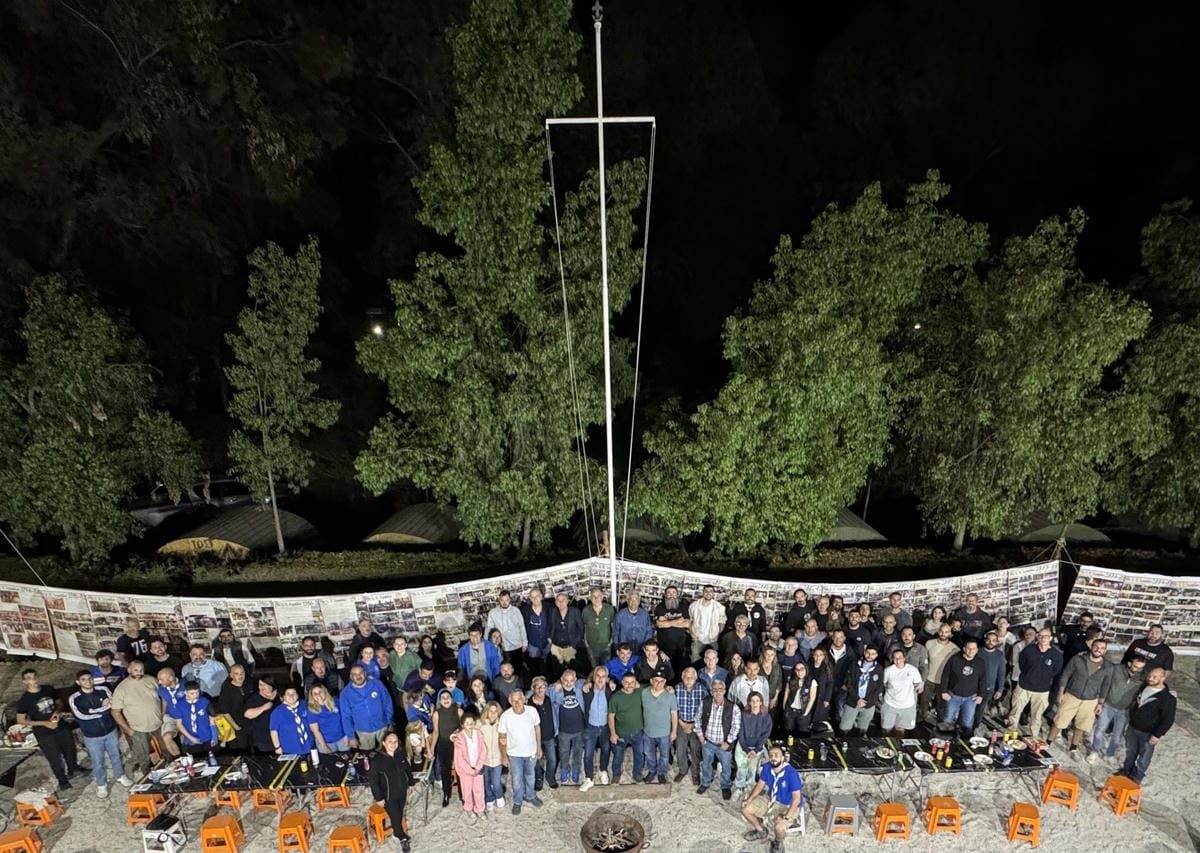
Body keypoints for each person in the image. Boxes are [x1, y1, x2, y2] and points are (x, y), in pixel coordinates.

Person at [69, 670, 133, 797]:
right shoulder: (74, 698)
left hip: (110, 731)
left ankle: (120, 775)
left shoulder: (103, 689)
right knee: (98, 761)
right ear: (78, 682)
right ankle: (101, 784)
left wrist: (93, 710)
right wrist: (103, 709)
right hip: (92, 736)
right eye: (83, 680)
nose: (88, 681)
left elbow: (114, 705)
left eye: (89, 678)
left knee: (115, 755)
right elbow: (82, 716)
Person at [15, 669, 82, 789]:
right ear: (25, 682)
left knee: (70, 749)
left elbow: (59, 702)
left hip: (60, 726)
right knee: (54, 757)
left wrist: (57, 712)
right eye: (29, 678)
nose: (33, 680)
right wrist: (44, 723)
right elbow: (20, 720)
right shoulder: (24, 700)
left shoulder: (48, 689)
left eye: (35, 677)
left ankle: (73, 769)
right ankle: (62, 781)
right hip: (44, 733)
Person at [1049, 638, 1114, 755]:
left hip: (1091, 700)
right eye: (1096, 647)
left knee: (1081, 726)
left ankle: (1073, 748)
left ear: (1105, 650)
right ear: (1091, 646)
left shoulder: (1108, 667)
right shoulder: (1078, 659)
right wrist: (1061, 692)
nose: (1098, 650)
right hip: (1072, 695)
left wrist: (1100, 703)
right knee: (1059, 720)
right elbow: (1066, 674)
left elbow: (1106, 685)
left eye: (1102, 648)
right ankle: (1048, 742)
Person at [740, 744, 804, 853]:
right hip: (771, 799)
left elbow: (796, 799)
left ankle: (778, 842)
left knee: (779, 827)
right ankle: (761, 831)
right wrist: (749, 800)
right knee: (745, 809)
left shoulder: (791, 773)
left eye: (776, 755)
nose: (773, 758)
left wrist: (786, 818)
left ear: (783, 758)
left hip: (788, 804)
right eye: (771, 755)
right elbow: (760, 785)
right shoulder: (767, 767)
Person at [112, 658, 169, 772]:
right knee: (144, 758)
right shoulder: (121, 688)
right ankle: (148, 778)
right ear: (129, 670)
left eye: (141, 670)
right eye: (136, 670)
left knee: (167, 752)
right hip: (138, 730)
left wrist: (163, 715)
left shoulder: (152, 680)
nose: (139, 673)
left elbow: (164, 697)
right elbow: (115, 712)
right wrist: (128, 729)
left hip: (158, 724)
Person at [1121, 667, 1175, 784]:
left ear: (1163, 678)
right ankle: (1126, 772)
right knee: (1130, 752)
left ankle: (1137, 778)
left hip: (1148, 733)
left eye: (1155, 677)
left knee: (1144, 757)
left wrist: (1157, 735)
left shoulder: (1168, 699)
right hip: (1133, 727)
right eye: (1149, 676)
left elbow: (1168, 720)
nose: (1150, 678)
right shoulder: (1145, 687)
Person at [1008, 628, 1063, 739]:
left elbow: (1055, 671)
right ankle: (1010, 731)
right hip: (1024, 686)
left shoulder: (1056, 655)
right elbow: (1022, 665)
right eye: (1040, 636)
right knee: (1015, 711)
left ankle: (1034, 736)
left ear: (1050, 638)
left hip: (1042, 690)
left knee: (1037, 716)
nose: (1043, 639)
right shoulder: (1028, 650)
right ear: (1037, 637)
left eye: (1046, 636)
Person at [1089, 657, 1145, 765]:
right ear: (1129, 663)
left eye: (1140, 668)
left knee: (1118, 735)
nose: (1138, 669)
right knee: (1100, 729)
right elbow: (1105, 681)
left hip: (1124, 710)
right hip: (1108, 705)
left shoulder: (1142, 678)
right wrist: (1100, 702)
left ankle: (1110, 754)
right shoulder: (1117, 669)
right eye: (1135, 666)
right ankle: (1094, 751)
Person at [499, 690, 542, 814]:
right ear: (510, 702)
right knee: (517, 780)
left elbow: (537, 729)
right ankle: (517, 801)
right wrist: (504, 756)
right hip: (514, 754)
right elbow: (502, 737)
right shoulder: (505, 716)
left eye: (519, 700)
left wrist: (539, 747)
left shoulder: (532, 711)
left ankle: (530, 796)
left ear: (524, 700)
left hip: (530, 752)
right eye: (514, 701)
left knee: (530, 776)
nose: (517, 703)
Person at [696, 680, 741, 799]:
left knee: (726, 767)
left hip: (723, 744)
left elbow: (736, 726)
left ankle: (725, 786)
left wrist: (728, 742)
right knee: (706, 764)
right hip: (708, 742)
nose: (718, 692)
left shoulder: (733, 707)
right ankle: (705, 782)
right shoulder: (705, 703)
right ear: (711, 692)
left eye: (720, 689)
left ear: (724, 691)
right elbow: (697, 718)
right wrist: (700, 735)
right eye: (715, 690)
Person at [368, 731, 413, 852]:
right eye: (390, 742)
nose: (393, 744)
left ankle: (397, 831)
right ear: (384, 743)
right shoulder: (377, 760)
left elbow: (407, 767)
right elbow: (373, 781)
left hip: (402, 792)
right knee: (396, 816)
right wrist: (378, 798)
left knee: (400, 812)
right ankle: (401, 836)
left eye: (395, 742)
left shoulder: (400, 753)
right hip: (388, 795)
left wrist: (411, 782)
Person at [940, 639, 986, 738]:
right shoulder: (954, 659)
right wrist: (943, 691)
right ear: (964, 649)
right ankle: (946, 740)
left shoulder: (980, 662)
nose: (971, 651)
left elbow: (983, 680)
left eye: (974, 649)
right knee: (948, 719)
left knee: (968, 722)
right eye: (969, 648)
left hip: (971, 698)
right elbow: (945, 675)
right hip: (953, 696)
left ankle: (965, 741)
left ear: (977, 650)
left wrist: (981, 695)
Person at [342, 664, 394, 750]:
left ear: (365, 673)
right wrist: (351, 737)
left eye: (361, 673)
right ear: (350, 676)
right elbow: (346, 717)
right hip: (363, 732)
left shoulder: (377, 684)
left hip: (382, 727)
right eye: (355, 674)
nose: (358, 676)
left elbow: (387, 702)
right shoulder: (345, 694)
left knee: (386, 751)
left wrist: (389, 721)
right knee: (367, 755)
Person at [607, 673, 647, 785]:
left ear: (636, 683)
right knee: (618, 756)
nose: (629, 685)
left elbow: (654, 685)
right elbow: (611, 716)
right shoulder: (616, 697)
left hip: (638, 732)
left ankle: (637, 774)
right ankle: (616, 775)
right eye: (626, 682)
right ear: (622, 682)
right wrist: (613, 733)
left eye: (632, 682)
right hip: (621, 733)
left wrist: (668, 687)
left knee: (639, 755)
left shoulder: (640, 692)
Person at [549, 669, 586, 785]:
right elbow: (541, 689)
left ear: (575, 680)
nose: (569, 683)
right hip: (564, 730)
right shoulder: (556, 690)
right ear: (561, 679)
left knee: (578, 752)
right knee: (564, 752)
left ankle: (576, 770)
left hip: (579, 729)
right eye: (566, 680)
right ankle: (564, 769)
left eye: (571, 680)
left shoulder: (580, 686)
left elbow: (591, 679)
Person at [579, 665, 613, 791]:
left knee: (606, 750)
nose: (600, 679)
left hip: (605, 727)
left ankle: (603, 771)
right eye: (598, 676)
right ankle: (589, 778)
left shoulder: (611, 690)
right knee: (588, 754)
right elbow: (574, 682)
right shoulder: (587, 689)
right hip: (590, 727)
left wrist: (611, 682)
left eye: (603, 676)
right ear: (594, 677)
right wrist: (587, 682)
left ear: (607, 678)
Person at [732, 692, 771, 798]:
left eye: (757, 701)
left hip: (756, 748)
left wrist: (756, 750)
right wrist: (746, 749)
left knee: (752, 770)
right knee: (742, 768)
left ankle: (749, 788)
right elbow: (740, 733)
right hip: (743, 746)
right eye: (752, 701)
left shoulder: (766, 717)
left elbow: (765, 736)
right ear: (749, 702)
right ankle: (739, 788)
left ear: (761, 702)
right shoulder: (743, 715)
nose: (755, 703)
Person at [640, 673, 678, 784]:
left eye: (662, 681)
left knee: (664, 755)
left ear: (665, 682)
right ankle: (652, 771)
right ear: (651, 681)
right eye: (656, 680)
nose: (659, 683)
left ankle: (661, 772)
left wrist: (674, 731)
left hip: (664, 732)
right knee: (649, 754)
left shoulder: (670, 695)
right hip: (648, 731)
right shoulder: (644, 693)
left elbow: (674, 714)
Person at [840, 646, 883, 736]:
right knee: (844, 728)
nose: (869, 656)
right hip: (853, 701)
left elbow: (879, 687)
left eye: (873, 654)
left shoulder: (879, 668)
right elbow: (848, 683)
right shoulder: (854, 666)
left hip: (869, 703)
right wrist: (857, 699)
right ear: (864, 652)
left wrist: (868, 700)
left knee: (862, 729)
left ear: (876, 655)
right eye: (868, 653)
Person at [673, 666, 706, 784]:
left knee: (695, 750)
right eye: (686, 677)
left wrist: (692, 724)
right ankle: (683, 770)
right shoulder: (677, 688)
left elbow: (705, 710)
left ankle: (695, 773)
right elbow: (673, 708)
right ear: (682, 677)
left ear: (695, 678)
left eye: (691, 678)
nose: (688, 680)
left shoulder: (702, 689)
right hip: (681, 723)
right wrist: (681, 723)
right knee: (680, 749)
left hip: (696, 725)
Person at [431, 689, 463, 806]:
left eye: (447, 697)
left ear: (452, 699)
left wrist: (457, 732)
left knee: (460, 769)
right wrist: (431, 749)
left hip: (457, 744)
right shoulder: (436, 713)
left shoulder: (459, 711)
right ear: (440, 701)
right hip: (443, 744)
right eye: (443, 698)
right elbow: (435, 732)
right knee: (445, 771)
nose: (445, 700)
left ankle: (463, 793)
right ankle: (446, 793)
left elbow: (464, 727)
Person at [880, 649, 924, 736]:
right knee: (886, 729)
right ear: (892, 659)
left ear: (904, 658)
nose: (898, 660)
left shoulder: (912, 670)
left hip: (907, 706)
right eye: (895, 658)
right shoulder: (888, 670)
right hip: (890, 704)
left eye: (900, 657)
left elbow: (918, 684)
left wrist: (919, 688)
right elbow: (883, 684)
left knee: (900, 730)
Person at [485, 589, 529, 674]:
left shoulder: (516, 611)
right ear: (499, 600)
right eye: (502, 600)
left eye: (507, 600)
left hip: (518, 645)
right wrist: (486, 645)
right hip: (504, 647)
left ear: (510, 600)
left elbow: (522, 627)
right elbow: (488, 629)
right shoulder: (493, 613)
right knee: (507, 670)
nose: (504, 602)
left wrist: (525, 643)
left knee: (519, 669)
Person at [526, 677, 559, 791]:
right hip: (533, 739)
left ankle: (550, 777)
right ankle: (539, 778)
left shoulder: (549, 698)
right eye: (537, 687)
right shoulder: (528, 704)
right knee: (535, 762)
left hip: (549, 737)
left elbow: (556, 686)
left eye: (543, 687)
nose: (540, 689)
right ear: (533, 688)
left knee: (552, 760)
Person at [452, 712, 487, 817]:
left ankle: (480, 809)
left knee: (479, 789)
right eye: (467, 723)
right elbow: (459, 758)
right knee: (467, 790)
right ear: (463, 725)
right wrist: (470, 771)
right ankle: (468, 808)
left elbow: (483, 750)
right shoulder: (459, 738)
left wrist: (478, 767)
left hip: (478, 767)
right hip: (465, 770)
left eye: (471, 723)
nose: (470, 725)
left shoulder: (479, 734)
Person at [923, 622, 959, 722]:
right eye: (942, 631)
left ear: (950, 633)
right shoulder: (929, 644)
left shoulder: (955, 649)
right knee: (924, 701)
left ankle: (940, 723)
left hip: (944, 682)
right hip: (929, 679)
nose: (944, 634)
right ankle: (921, 720)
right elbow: (924, 661)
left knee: (941, 705)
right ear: (938, 632)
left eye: (946, 632)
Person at [654, 585, 692, 679]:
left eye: (674, 593)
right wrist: (679, 620)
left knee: (678, 671)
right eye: (669, 593)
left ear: (677, 595)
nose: (671, 595)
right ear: (665, 595)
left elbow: (687, 624)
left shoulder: (683, 607)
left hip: (680, 645)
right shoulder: (660, 607)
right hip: (664, 645)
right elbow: (659, 624)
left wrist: (667, 622)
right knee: (665, 671)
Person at [172, 681, 218, 756]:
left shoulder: (204, 701)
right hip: (191, 738)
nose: (195, 695)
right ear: (186, 693)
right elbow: (179, 724)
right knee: (197, 759)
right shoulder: (180, 704)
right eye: (192, 693)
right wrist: (190, 738)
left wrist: (214, 735)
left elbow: (212, 718)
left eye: (197, 692)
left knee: (212, 757)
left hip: (207, 736)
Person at [269, 687, 313, 755]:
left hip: (311, 746)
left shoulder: (305, 705)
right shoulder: (277, 712)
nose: (291, 696)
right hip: (290, 749)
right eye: (288, 694)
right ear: (284, 697)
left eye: (293, 693)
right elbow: (273, 731)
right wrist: (277, 747)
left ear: (297, 695)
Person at [689, 584, 727, 662]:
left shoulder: (719, 607)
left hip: (713, 639)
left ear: (713, 593)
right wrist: (692, 633)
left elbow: (722, 621)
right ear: (703, 592)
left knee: (713, 660)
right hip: (697, 638)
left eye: (710, 591)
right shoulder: (694, 606)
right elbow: (690, 620)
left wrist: (717, 633)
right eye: (706, 591)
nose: (708, 593)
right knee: (695, 659)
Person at [479, 701, 506, 811]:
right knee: (486, 781)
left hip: (497, 759)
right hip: (484, 759)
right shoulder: (480, 724)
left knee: (496, 782)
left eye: (495, 711)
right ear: (487, 712)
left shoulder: (501, 724)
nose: (493, 714)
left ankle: (499, 796)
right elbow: (468, 728)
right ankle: (489, 799)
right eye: (491, 711)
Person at [307, 683, 350, 753]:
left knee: (347, 757)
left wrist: (347, 735)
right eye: (315, 694)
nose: (318, 695)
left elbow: (345, 719)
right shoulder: (311, 711)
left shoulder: (336, 702)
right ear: (312, 696)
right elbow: (316, 731)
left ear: (325, 691)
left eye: (320, 692)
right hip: (326, 742)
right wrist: (324, 746)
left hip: (342, 738)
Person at [581, 587, 616, 667]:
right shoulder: (586, 611)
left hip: (606, 647)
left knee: (606, 669)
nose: (596, 598)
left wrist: (610, 642)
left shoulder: (609, 609)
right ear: (590, 598)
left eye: (598, 596)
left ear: (602, 597)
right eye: (594, 596)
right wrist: (586, 643)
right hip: (591, 647)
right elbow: (584, 627)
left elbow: (613, 627)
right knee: (594, 670)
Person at [242, 677, 278, 754]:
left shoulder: (278, 696)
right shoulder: (254, 698)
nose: (261, 687)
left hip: (278, 737)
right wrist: (263, 708)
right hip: (262, 739)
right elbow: (247, 714)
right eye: (260, 685)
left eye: (264, 685)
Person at [521, 587, 551, 679]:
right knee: (534, 666)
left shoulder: (549, 607)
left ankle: (548, 681)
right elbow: (521, 627)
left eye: (537, 596)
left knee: (548, 664)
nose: (535, 599)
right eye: (532, 597)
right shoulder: (525, 610)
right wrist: (524, 642)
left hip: (547, 642)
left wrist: (551, 637)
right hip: (532, 643)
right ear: (530, 598)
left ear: (541, 596)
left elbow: (553, 623)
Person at [781, 661, 817, 737]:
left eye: (802, 669)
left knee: (802, 734)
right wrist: (785, 708)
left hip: (803, 711)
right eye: (797, 669)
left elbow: (812, 698)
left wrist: (805, 713)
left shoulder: (812, 682)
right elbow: (786, 694)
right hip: (790, 711)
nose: (799, 672)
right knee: (788, 733)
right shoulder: (790, 680)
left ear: (806, 669)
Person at [978, 631, 1008, 714]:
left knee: (981, 710)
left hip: (989, 687)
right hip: (974, 686)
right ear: (985, 640)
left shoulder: (999, 655)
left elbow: (1001, 673)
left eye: (993, 640)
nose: (990, 642)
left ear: (997, 642)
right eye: (988, 640)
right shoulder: (978, 651)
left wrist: (1000, 690)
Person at [808, 647, 834, 728]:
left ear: (824, 656)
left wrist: (827, 699)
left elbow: (830, 683)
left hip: (822, 696)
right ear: (813, 656)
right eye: (816, 655)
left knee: (819, 720)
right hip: (810, 695)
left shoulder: (827, 667)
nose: (818, 657)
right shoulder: (808, 665)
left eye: (820, 655)